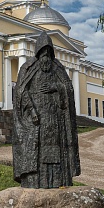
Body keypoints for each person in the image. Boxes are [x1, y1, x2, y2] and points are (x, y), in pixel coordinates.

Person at [13, 32, 80, 188]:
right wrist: (32, 111)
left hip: (54, 120)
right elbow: (21, 92)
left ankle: (58, 181)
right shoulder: (28, 68)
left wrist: (55, 87)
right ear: (37, 53)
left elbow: (68, 90)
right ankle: (36, 182)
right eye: (42, 53)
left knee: (56, 153)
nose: (46, 58)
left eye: (48, 53)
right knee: (37, 153)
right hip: (36, 122)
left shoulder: (58, 68)